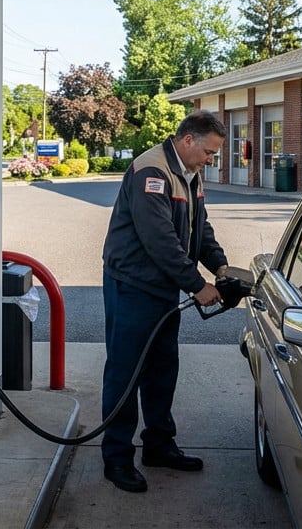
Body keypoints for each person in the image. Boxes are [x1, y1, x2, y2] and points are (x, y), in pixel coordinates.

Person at [99, 110, 228, 494]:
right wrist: (196, 285)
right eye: (209, 151)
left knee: (161, 369)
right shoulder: (151, 172)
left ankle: (158, 445)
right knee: (125, 372)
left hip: (161, 288)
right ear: (187, 140)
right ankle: (117, 457)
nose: (211, 160)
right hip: (133, 285)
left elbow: (198, 227)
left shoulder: (189, 174)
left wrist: (219, 267)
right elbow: (159, 239)